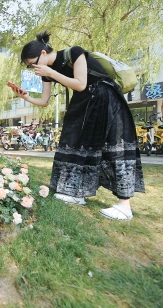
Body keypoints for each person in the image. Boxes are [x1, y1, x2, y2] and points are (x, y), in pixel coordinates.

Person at [8, 30, 145, 221]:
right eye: (30, 67)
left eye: (33, 64)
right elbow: (45, 101)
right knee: (74, 142)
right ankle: (76, 192)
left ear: (43, 53)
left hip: (106, 98)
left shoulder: (74, 53)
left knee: (115, 145)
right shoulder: (47, 73)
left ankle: (124, 206)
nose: (33, 69)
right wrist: (25, 96)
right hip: (84, 102)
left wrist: (50, 72)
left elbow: (80, 83)